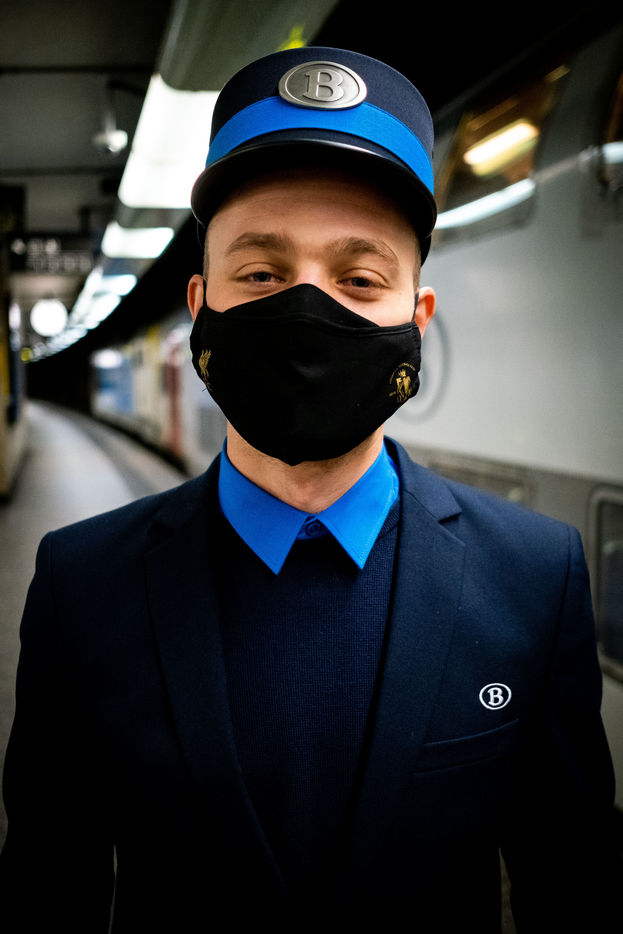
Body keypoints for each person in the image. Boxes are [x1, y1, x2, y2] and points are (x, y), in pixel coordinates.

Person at [0, 46, 617, 933]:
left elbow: (576, 886)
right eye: (260, 274)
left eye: (359, 280)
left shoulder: (533, 578)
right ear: (201, 305)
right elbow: (45, 891)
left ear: (416, 320)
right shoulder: (80, 585)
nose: (306, 312)